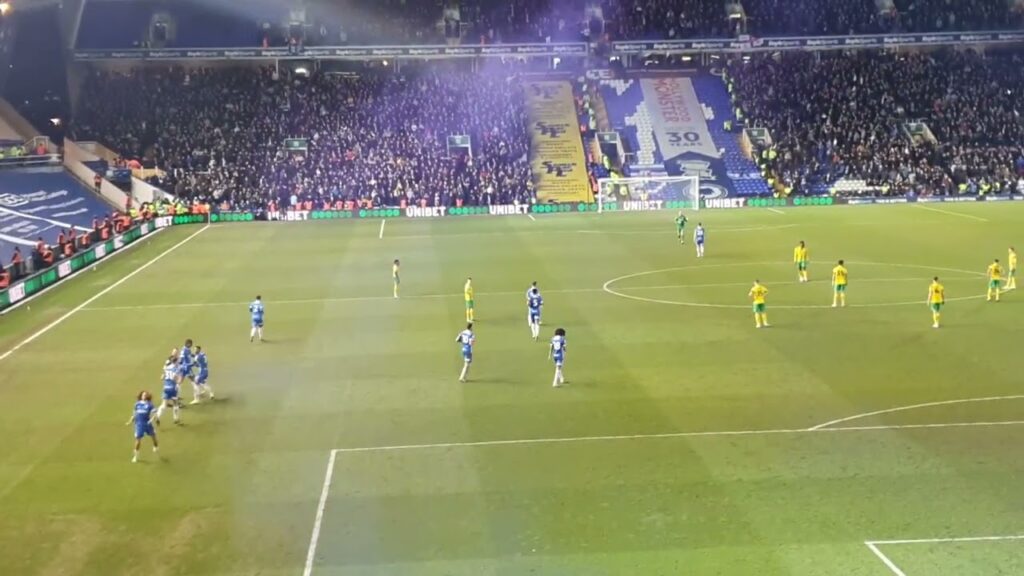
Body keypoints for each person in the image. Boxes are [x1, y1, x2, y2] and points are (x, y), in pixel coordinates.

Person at [126, 391, 158, 463]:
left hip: (147, 424)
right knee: (138, 440)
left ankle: (155, 446)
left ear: (147, 396)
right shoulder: (137, 404)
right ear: (141, 396)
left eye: (145, 395)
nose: (144, 396)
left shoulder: (150, 404)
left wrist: (151, 420)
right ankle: (135, 456)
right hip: (139, 424)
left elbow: (155, 413)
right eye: (143, 395)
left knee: (153, 437)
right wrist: (130, 421)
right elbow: (134, 414)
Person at [155, 356, 181, 424]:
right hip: (173, 388)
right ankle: (176, 418)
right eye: (178, 361)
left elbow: (162, 377)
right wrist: (178, 382)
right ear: (175, 361)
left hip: (166, 387)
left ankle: (158, 415)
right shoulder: (176, 369)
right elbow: (174, 377)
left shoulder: (167, 368)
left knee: (164, 404)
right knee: (175, 403)